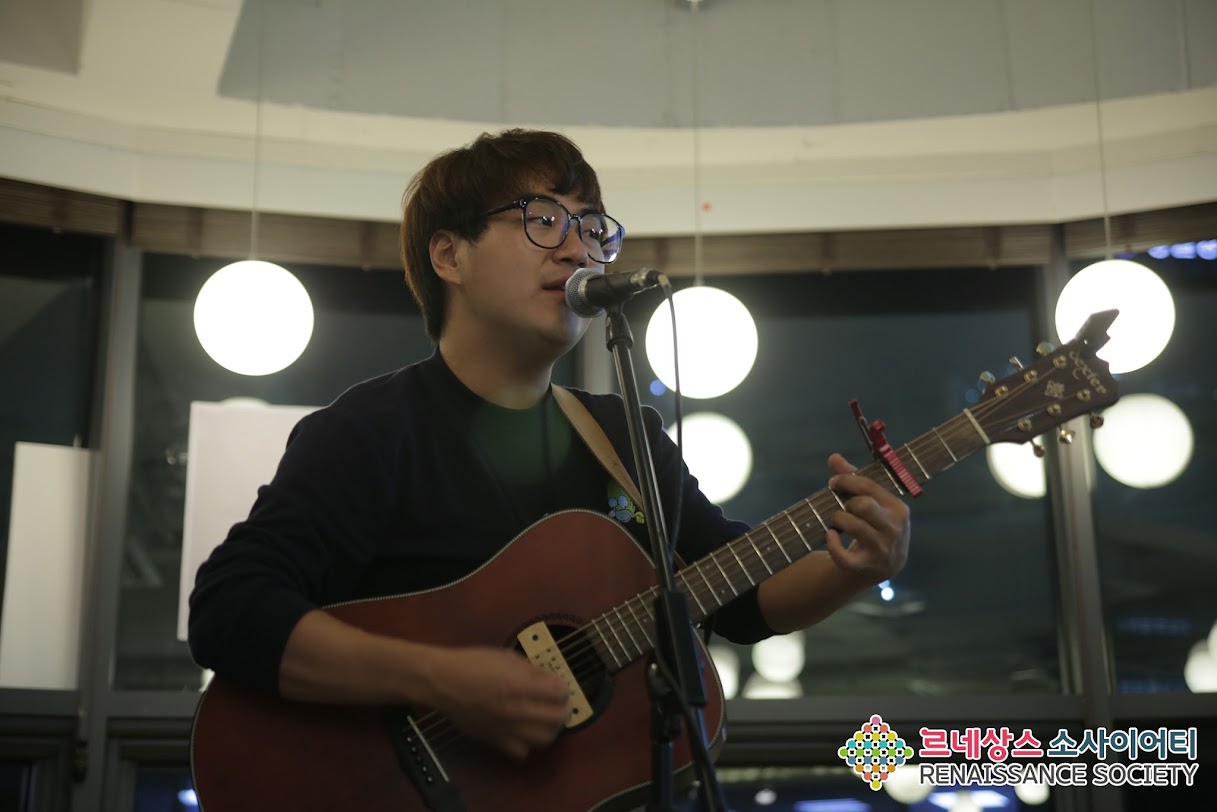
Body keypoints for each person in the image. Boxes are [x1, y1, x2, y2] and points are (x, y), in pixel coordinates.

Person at [188, 128, 911, 765]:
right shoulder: (375, 429)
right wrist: (440, 680)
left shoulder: (624, 437)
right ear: (450, 255)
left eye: (593, 229)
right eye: (542, 219)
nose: (578, 249)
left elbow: (737, 596)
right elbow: (230, 609)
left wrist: (855, 568)